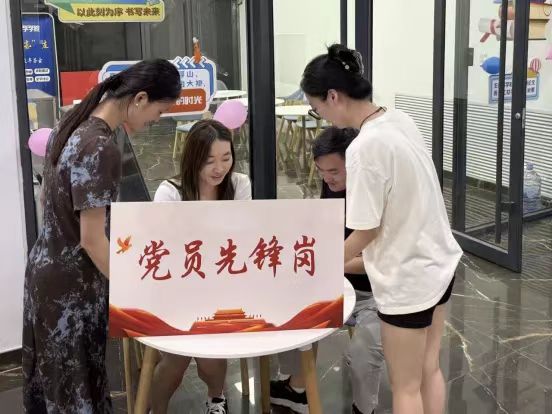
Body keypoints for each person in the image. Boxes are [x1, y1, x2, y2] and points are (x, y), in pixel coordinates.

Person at [300, 44, 462, 414]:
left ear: (333, 96)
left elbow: (365, 232)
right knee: (429, 369)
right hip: (439, 263)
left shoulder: (364, 147)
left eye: (317, 108)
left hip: (408, 278)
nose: (321, 116)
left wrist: (322, 264)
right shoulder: (398, 119)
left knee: (405, 388)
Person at [23, 59, 181, 413]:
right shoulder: (99, 146)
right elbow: (92, 240)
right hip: (72, 287)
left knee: (58, 388)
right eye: (160, 111)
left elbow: (51, 203)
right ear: (140, 99)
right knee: (77, 390)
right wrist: (132, 289)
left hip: (47, 271)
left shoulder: (73, 123)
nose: (157, 120)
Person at [270, 127, 384, 414]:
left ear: (355, 164)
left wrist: (330, 260)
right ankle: (296, 387)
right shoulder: (332, 189)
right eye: (321, 171)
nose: (327, 178)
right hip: (338, 284)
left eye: (333, 171)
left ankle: (363, 409)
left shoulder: (375, 195)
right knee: (289, 311)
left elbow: (376, 262)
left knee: (362, 354)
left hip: (378, 295)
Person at [152, 119, 252, 414]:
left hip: (222, 286)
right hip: (177, 288)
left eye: (226, 158)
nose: (219, 168)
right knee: (175, 361)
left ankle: (216, 399)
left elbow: (244, 237)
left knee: (211, 354)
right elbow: (163, 248)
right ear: (193, 158)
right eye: (209, 161)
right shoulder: (170, 192)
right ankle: (157, 409)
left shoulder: (239, 184)